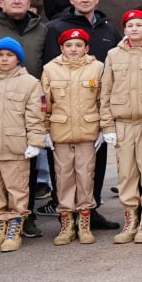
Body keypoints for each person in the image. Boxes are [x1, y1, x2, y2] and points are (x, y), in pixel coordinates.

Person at [41, 0, 122, 231]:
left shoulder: (108, 30)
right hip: (64, 112)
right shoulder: (55, 28)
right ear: (72, 0)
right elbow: (49, 74)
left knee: (93, 167)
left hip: (93, 112)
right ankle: (66, 214)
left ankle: (91, 211)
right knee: (64, 169)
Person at [100, 10, 142, 244]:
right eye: (130, 25)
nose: (134, 29)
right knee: (126, 174)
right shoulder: (113, 54)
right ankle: (130, 220)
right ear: (125, 29)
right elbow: (106, 91)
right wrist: (107, 125)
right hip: (123, 123)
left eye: (140, 25)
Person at [0, 38, 46, 252]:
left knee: (17, 191)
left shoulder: (30, 83)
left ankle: (14, 229)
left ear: (18, 58)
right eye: (0, 55)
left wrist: (35, 142)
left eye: (9, 55)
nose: (4, 59)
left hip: (16, 149)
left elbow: (36, 115)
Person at [41, 28, 104, 245]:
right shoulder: (50, 69)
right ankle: (66, 223)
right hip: (61, 132)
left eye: (78, 45)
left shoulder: (97, 68)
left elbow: (102, 101)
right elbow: (45, 104)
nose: (74, 50)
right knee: (63, 176)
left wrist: (104, 129)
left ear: (87, 48)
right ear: (61, 48)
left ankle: (84, 223)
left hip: (88, 132)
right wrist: (45, 130)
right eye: (69, 46)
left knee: (86, 176)